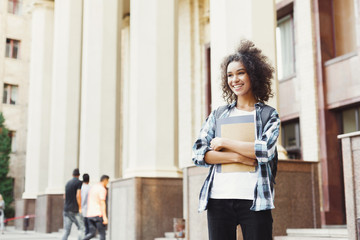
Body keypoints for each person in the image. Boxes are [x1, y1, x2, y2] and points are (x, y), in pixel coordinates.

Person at [192, 39, 280, 240]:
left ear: (253, 74)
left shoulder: (268, 115)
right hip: (218, 199)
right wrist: (239, 158)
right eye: (230, 75)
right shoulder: (219, 115)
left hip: (255, 199)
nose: (235, 79)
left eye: (241, 72)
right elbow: (198, 153)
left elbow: (264, 151)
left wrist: (225, 143)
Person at [83, 175, 109, 240]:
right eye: (107, 181)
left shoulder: (92, 188)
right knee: (102, 233)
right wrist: (105, 217)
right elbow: (102, 203)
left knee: (92, 233)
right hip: (98, 214)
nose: (107, 183)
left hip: (90, 214)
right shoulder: (102, 189)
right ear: (105, 180)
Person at [62, 168, 85, 240]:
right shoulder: (79, 183)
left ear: (72, 175)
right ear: (79, 175)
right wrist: (80, 207)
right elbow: (78, 195)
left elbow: (64, 196)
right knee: (81, 228)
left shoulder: (67, 183)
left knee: (66, 230)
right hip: (75, 210)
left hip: (66, 209)